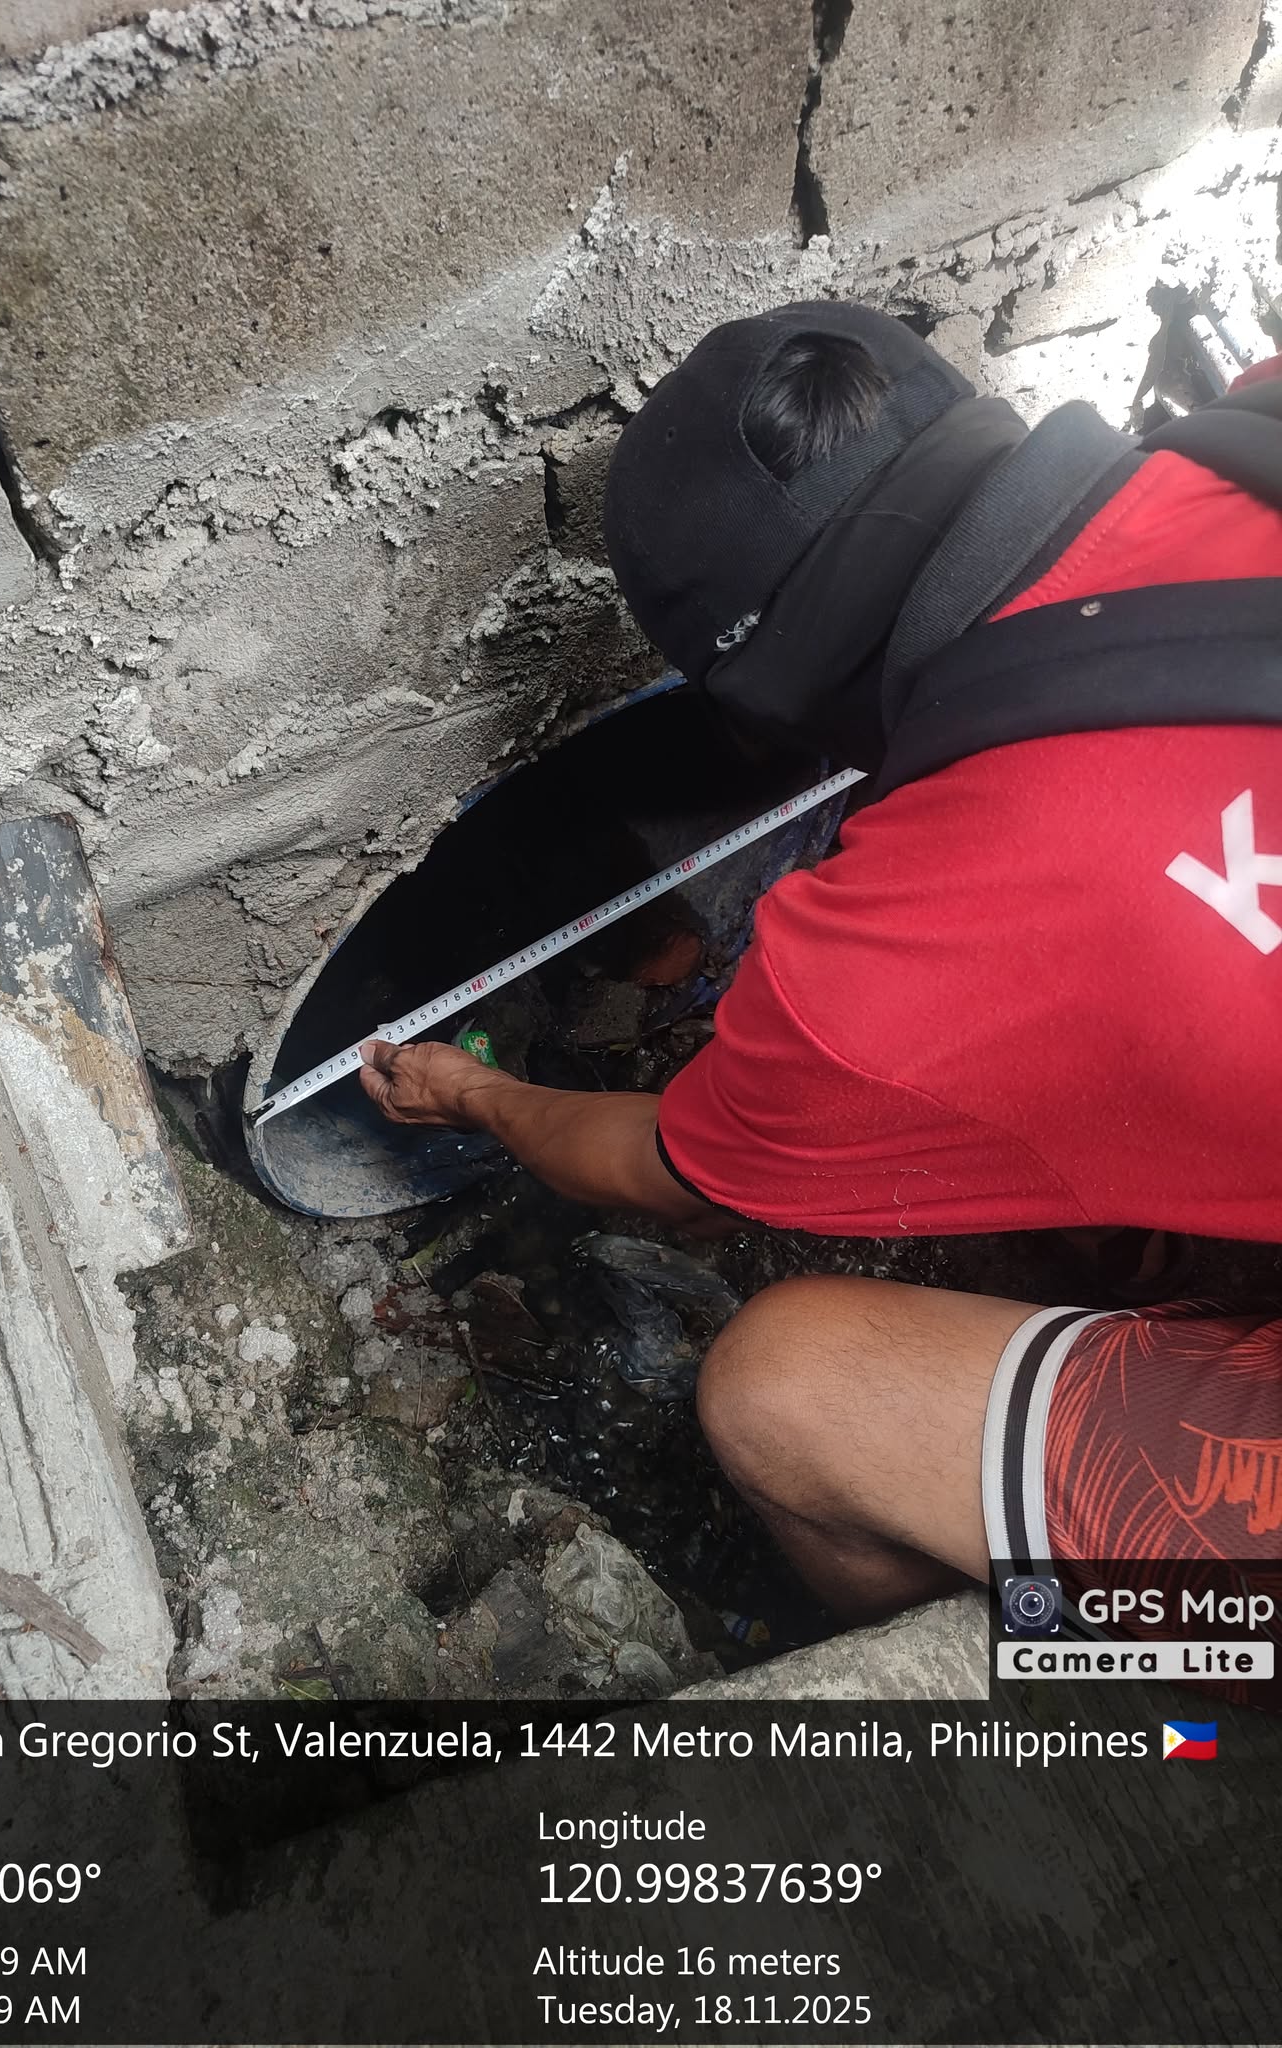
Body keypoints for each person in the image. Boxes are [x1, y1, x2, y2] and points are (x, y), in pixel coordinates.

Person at [357, 302, 1282, 1637]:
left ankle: (998, 1695)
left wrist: (475, 1094)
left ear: (766, 711)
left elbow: (663, 1174)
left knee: (781, 1388)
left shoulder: (895, 962)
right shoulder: (1259, 418)